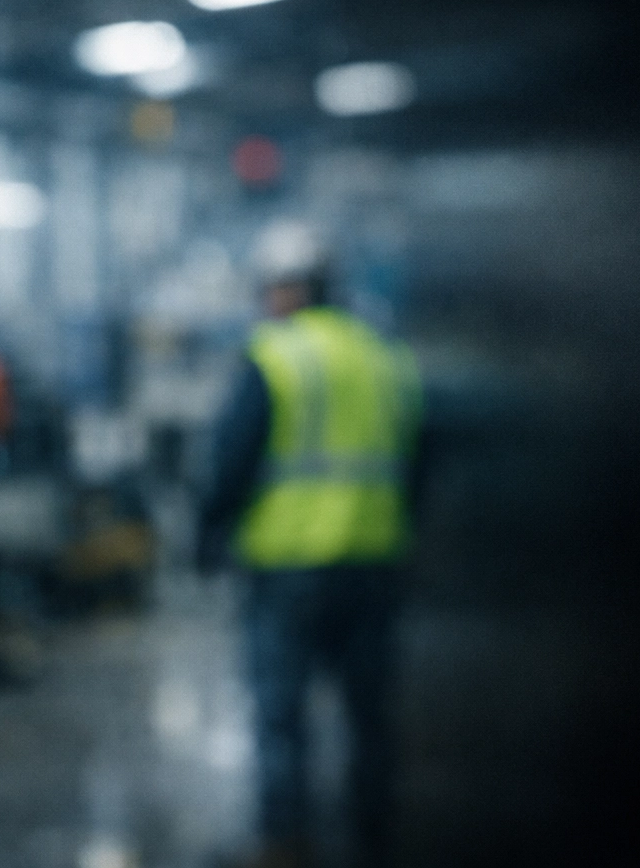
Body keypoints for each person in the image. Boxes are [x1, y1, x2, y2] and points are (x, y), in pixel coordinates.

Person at [198, 220, 424, 868]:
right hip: (375, 561)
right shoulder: (385, 355)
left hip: (288, 565)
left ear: (290, 289)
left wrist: (209, 534)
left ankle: (284, 842)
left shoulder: (276, 356)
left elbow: (231, 459)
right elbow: (415, 460)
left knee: (280, 715)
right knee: (370, 716)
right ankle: (375, 836)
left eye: (270, 287)